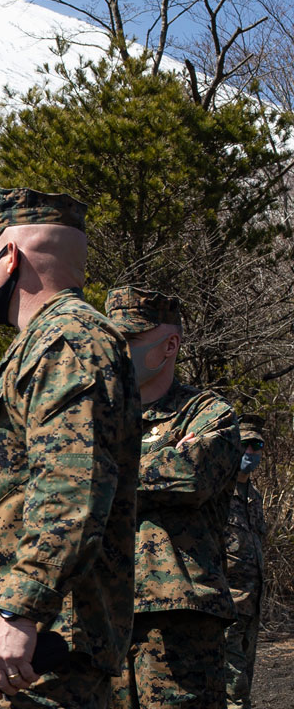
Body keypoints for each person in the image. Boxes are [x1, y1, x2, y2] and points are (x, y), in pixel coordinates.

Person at [0, 188, 141, 709]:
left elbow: (70, 489)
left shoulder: (67, 341)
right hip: (22, 650)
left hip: (37, 654)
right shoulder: (48, 342)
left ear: (9, 259)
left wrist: (20, 613)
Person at [104, 286, 242, 709]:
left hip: (179, 615)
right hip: (101, 611)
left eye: (131, 339)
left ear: (170, 345)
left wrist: (103, 471)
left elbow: (191, 475)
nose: (118, 350)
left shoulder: (207, 412)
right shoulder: (95, 414)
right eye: (114, 340)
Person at [224, 414, 267, 709]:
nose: (250, 452)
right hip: (226, 609)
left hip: (252, 607)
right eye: (245, 445)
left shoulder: (254, 496)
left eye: (256, 446)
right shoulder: (216, 493)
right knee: (235, 693)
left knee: (244, 686)